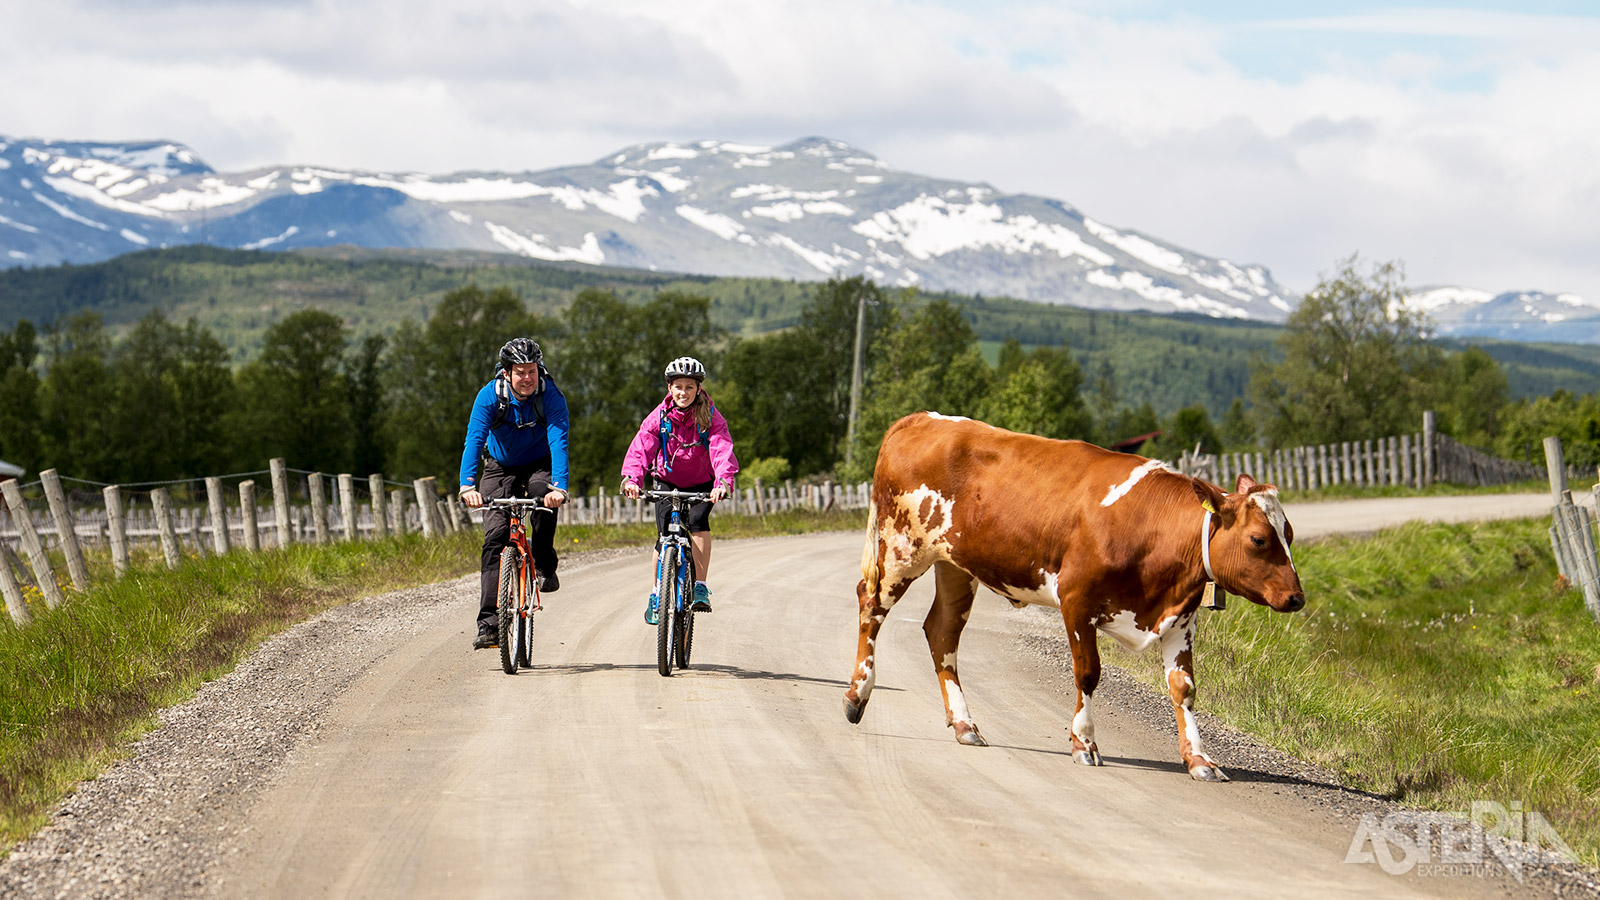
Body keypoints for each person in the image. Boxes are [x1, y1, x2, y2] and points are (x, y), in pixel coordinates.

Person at [459, 338, 570, 650]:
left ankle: (545, 562)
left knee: (543, 499)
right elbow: (474, 438)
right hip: (499, 466)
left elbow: (559, 439)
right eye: (520, 372)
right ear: (507, 373)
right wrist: (467, 484)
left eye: (532, 371)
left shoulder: (550, 395)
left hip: (540, 464)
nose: (528, 378)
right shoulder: (489, 396)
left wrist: (559, 486)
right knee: (494, 538)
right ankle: (489, 626)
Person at [620, 356, 739, 623]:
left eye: (689, 386)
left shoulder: (710, 416)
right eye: (678, 386)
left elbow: (721, 449)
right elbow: (642, 448)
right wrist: (631, 479)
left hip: (702, 483)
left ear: (698, 389)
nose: (683, 392)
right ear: (669, 388)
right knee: (663, 537)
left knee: (698, 521)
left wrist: (722, 483)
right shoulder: (659, 417)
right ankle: (656, 593)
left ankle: (700, 586)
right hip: (666, 480)